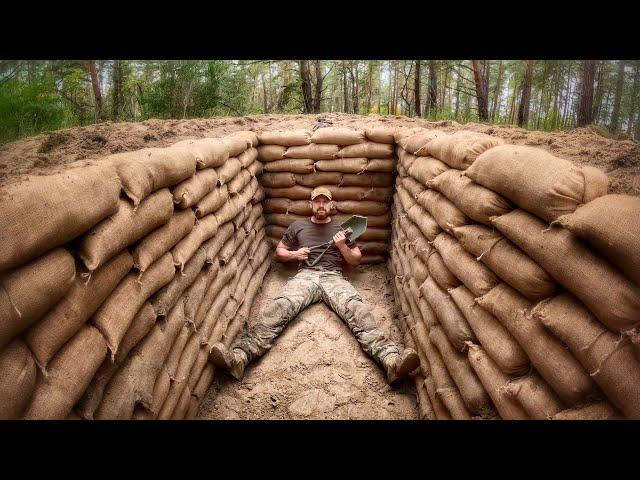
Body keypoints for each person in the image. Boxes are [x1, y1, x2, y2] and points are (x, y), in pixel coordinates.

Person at [209, 187, 419, 384]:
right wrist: (294, 254)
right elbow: (279, 252)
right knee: (280, 307)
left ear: (331, 206)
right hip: (306, 275)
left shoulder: (342, 229)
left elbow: (355, 259)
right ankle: (239, 358)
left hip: (332, 276)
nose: (321, 205)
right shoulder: (297, 226)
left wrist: (342, 246)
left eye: (324, 202)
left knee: (357, 309)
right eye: (317, 201)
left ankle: (391, 361)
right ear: (311, 205)